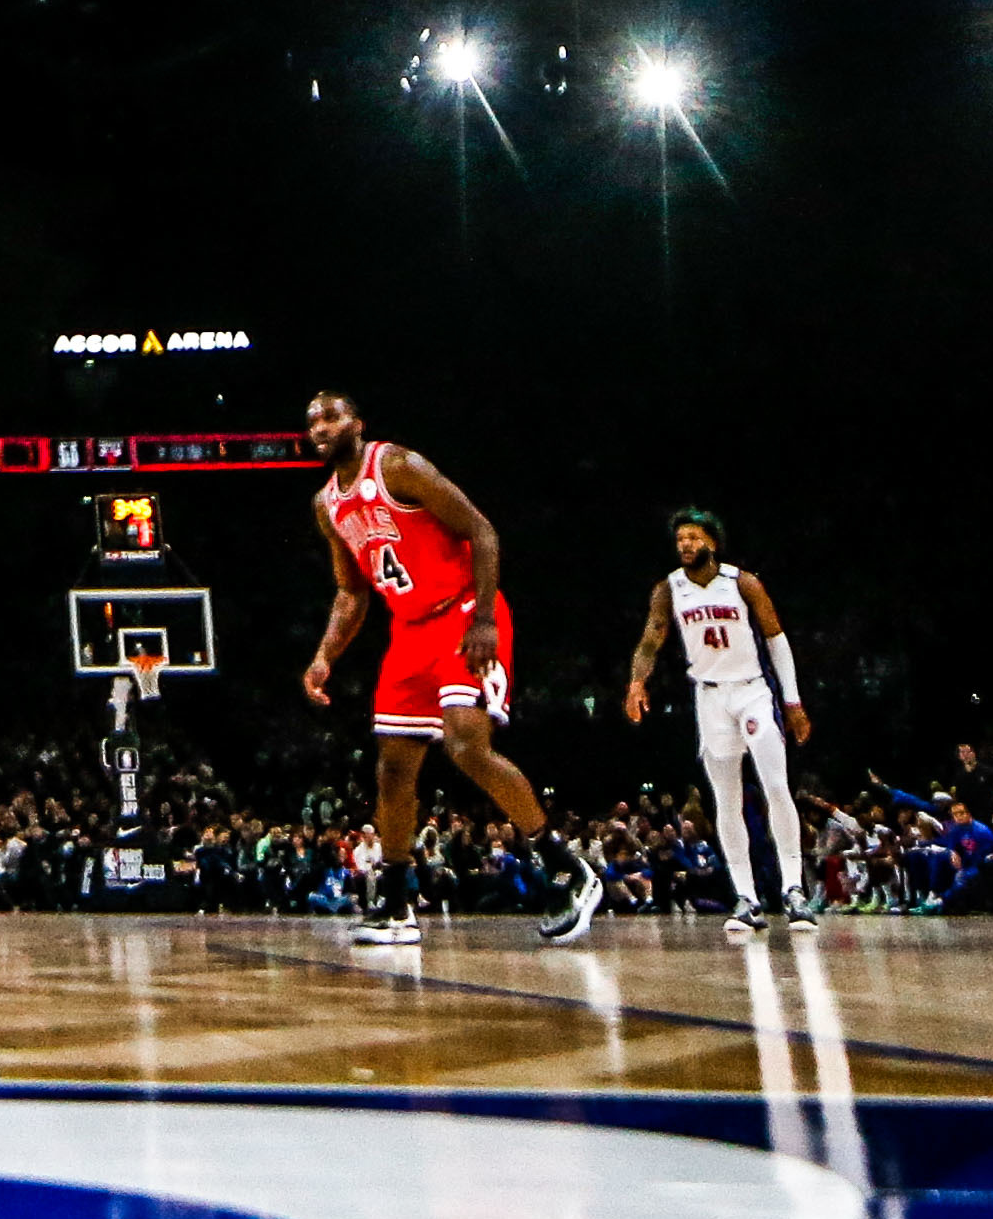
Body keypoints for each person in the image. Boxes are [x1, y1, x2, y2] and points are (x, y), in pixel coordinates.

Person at [297, 388, 602, 948]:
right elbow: (350, 592)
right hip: (409, 630)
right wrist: (324, 655)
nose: (321, 425)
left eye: (332, 415)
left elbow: (482, 531)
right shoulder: (326, 504)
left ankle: (566, 867)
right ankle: (394, 904)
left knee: (465, 744)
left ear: (357, 424)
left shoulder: (397, 465)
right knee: (391, 769)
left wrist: (484, 618)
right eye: (313, 420)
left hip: (462, 612)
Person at [619, 508, 814, 939]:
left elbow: (776, 640)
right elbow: (651, 640)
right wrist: (636, 682)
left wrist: (793, 701)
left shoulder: (742, 583)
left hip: (752, 691)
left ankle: (795, 888)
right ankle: (745, 897)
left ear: (712, 542)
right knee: (725, 801)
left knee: (775, 786)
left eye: (693, 537)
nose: (685, 545)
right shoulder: (668, 589)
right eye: (680, 539)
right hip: (709, 696)